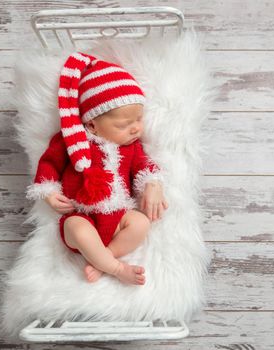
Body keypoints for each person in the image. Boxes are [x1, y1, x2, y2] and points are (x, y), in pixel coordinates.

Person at [26, 52, 168, 286]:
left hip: (119, 218)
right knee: (78, 230)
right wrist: (49, 192)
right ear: (92, 123)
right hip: (83, 215)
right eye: (124, 124)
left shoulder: (131, 149)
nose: (135, 129)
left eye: (139, 119)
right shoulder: (70, 140)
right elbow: (48, 164)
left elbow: (146, 166)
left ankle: (103, 261)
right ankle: (115, 267)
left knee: (141, 223)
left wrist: (153, 185)